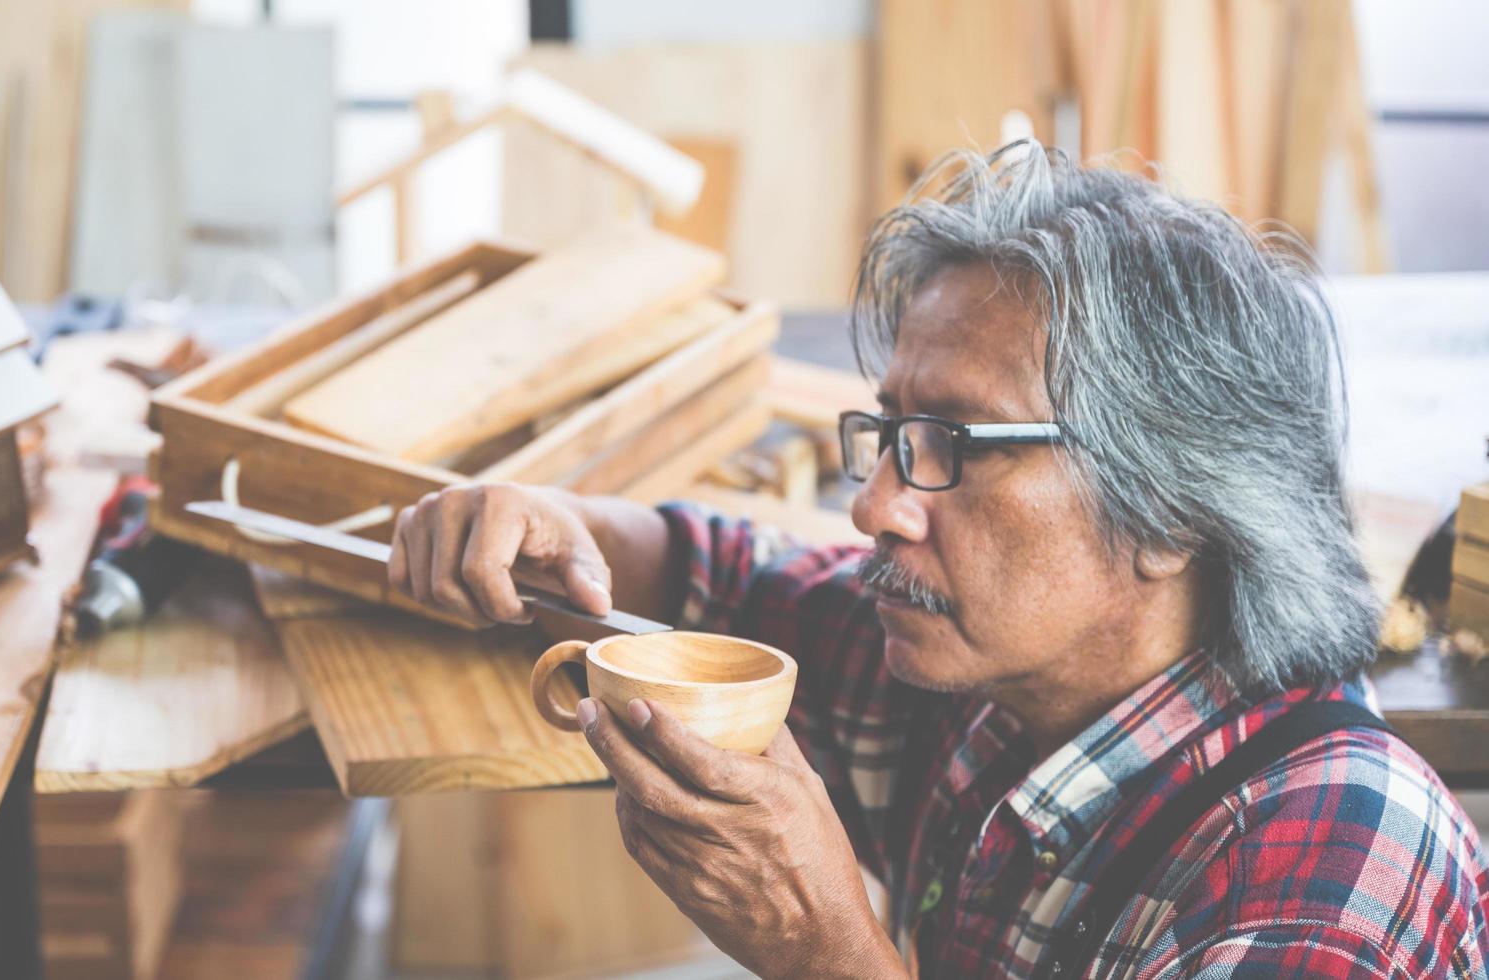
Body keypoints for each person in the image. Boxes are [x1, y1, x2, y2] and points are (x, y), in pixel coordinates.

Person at [386, 141, 1489, 978]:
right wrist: (559, 525)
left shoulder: (1328, 874)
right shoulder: (992, 683)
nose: (873, 506)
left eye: (952, 447)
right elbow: (712, 571)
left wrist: (825, 948)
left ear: (1167, 510)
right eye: (889, 434)